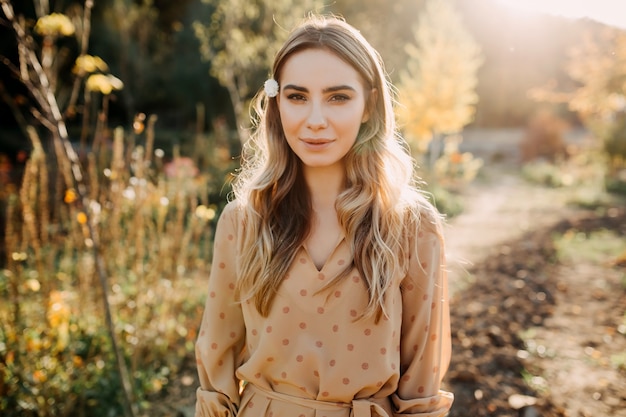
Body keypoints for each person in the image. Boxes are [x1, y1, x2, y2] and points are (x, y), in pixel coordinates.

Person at [195, 15, 454, 417]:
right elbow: (217, 368)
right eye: (297, 96)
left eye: (338, 97)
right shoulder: (243, 222)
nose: (315, 120)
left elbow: (422, 386)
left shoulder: (412, 226)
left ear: (368, 105)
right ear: (277, 103)